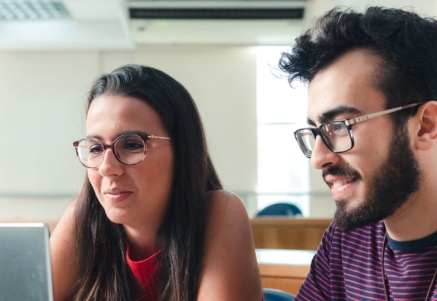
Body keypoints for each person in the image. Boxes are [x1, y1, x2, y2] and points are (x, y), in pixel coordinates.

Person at [50, 64, 262, 301]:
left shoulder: (220, 212)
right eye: (96, 148)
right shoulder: (84, 219)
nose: (107, 168)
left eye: (132, 144)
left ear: (182, 151)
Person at [279, 6, 437, 301]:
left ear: (425, 125)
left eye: (339, 127)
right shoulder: (348, 238)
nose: (318, 159)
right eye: (316, 131)